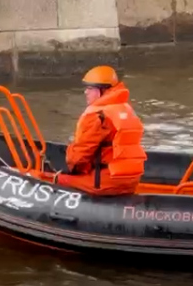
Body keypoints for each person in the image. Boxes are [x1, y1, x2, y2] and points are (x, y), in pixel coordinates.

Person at [54, 65, 148, 196]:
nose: (85, 92)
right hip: (130, 182)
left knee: (57, 179)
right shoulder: (124, 109)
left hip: (105, 183)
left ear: (101, 91)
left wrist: (70, 168)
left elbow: (78, 159)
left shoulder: (97, 117)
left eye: (90, 88)